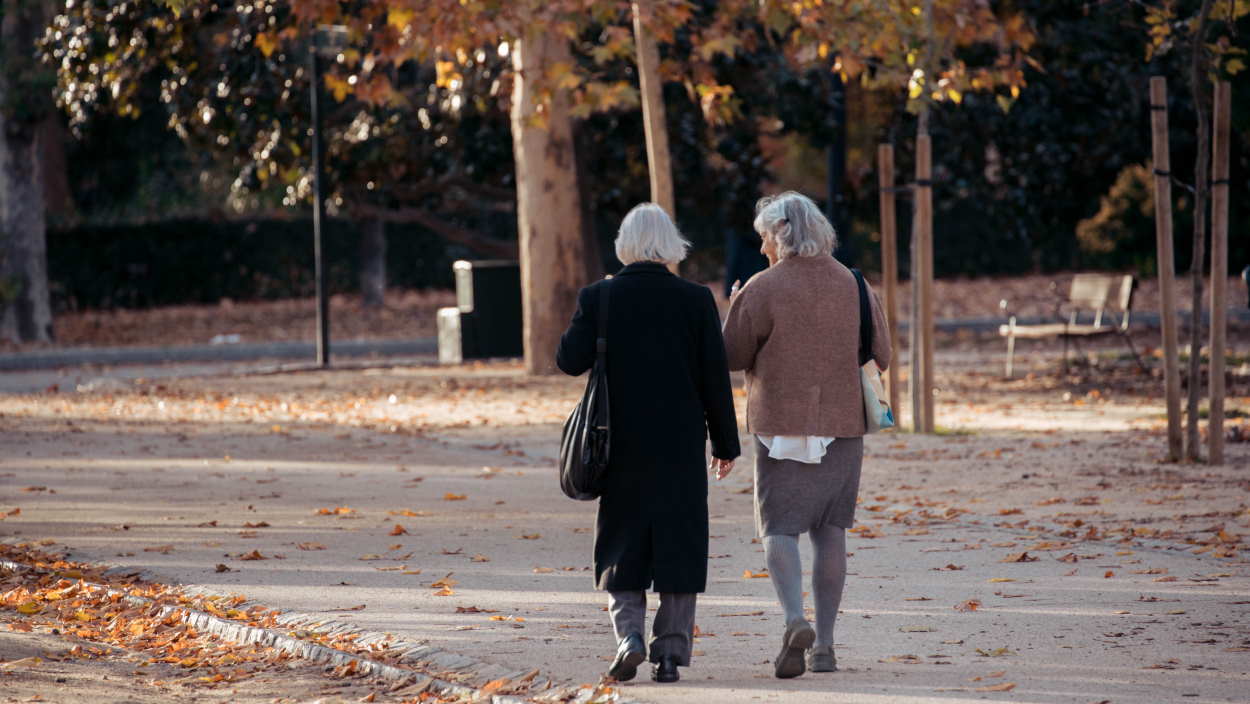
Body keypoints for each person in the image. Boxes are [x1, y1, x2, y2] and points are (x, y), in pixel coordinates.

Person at [556, 203, 741, 684]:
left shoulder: (600, 297)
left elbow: (567, 361)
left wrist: (589, 314)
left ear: (625, 244)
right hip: (679, 441)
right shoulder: (695, 299)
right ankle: (671, 655)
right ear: (670, 244)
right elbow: (714, 381)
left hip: (616, 441)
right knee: (680, 543)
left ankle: (629, 638)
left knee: (621, 540)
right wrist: (726, 444)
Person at [719, 191, 890, 679]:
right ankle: (827, 647)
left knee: (779, 527)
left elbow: (731, 356)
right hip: (842, 424)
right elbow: (882, 354)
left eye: (763, 240)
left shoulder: (761, 286)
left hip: (779, 424)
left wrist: (736, 306)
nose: (761, 250)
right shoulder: (854, 284)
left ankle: (795, 619)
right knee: (831, 530)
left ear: (778, 236)